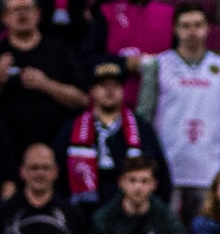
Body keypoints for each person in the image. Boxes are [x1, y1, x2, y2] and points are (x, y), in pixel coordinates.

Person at [139, 3, 220, 219]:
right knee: (168, 229)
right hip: (167, 166)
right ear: (175, 29)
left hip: (209, 168)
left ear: (207, 28)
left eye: (198, 25)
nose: (192, 31)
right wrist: (145, 158)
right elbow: (144, 115)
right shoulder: (158, 65)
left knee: (205, 230)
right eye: (185, 26)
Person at [0, 0, 88, 185]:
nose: (22, 14)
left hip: (57, 148)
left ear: (38, 13)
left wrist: (47, 85)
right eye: (16, 10)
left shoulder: (59, 51)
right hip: (8, 154)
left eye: (27, 8)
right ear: (5, 17)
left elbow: (82, 99)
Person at [64, 60, 170, 211]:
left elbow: (161, 172)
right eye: (103, 85)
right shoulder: (72, 129)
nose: (110, 91)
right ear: (92, 91)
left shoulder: (142, 128)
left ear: (123, 90)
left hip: (132, 211)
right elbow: (61, 175)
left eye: (115, 85)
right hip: (85, 210)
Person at [88, 157, 187, 234]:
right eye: (132, 180)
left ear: (154, 185)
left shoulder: (167, 217)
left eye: (144, 181)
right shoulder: (104, 217)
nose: (138, 187)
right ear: (121, 183)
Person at [99, 0, 173, 108]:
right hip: (116, 102)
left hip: (160, 101)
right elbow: (90, 58)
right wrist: (124, 63)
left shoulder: (169, 14)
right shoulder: (105, 12)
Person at [1, 144, 84, 234]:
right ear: (22, 171)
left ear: (56, 171)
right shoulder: (4, 211)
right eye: (33, 168)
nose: (40, 173)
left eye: (45, 168)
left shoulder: (72, 213)